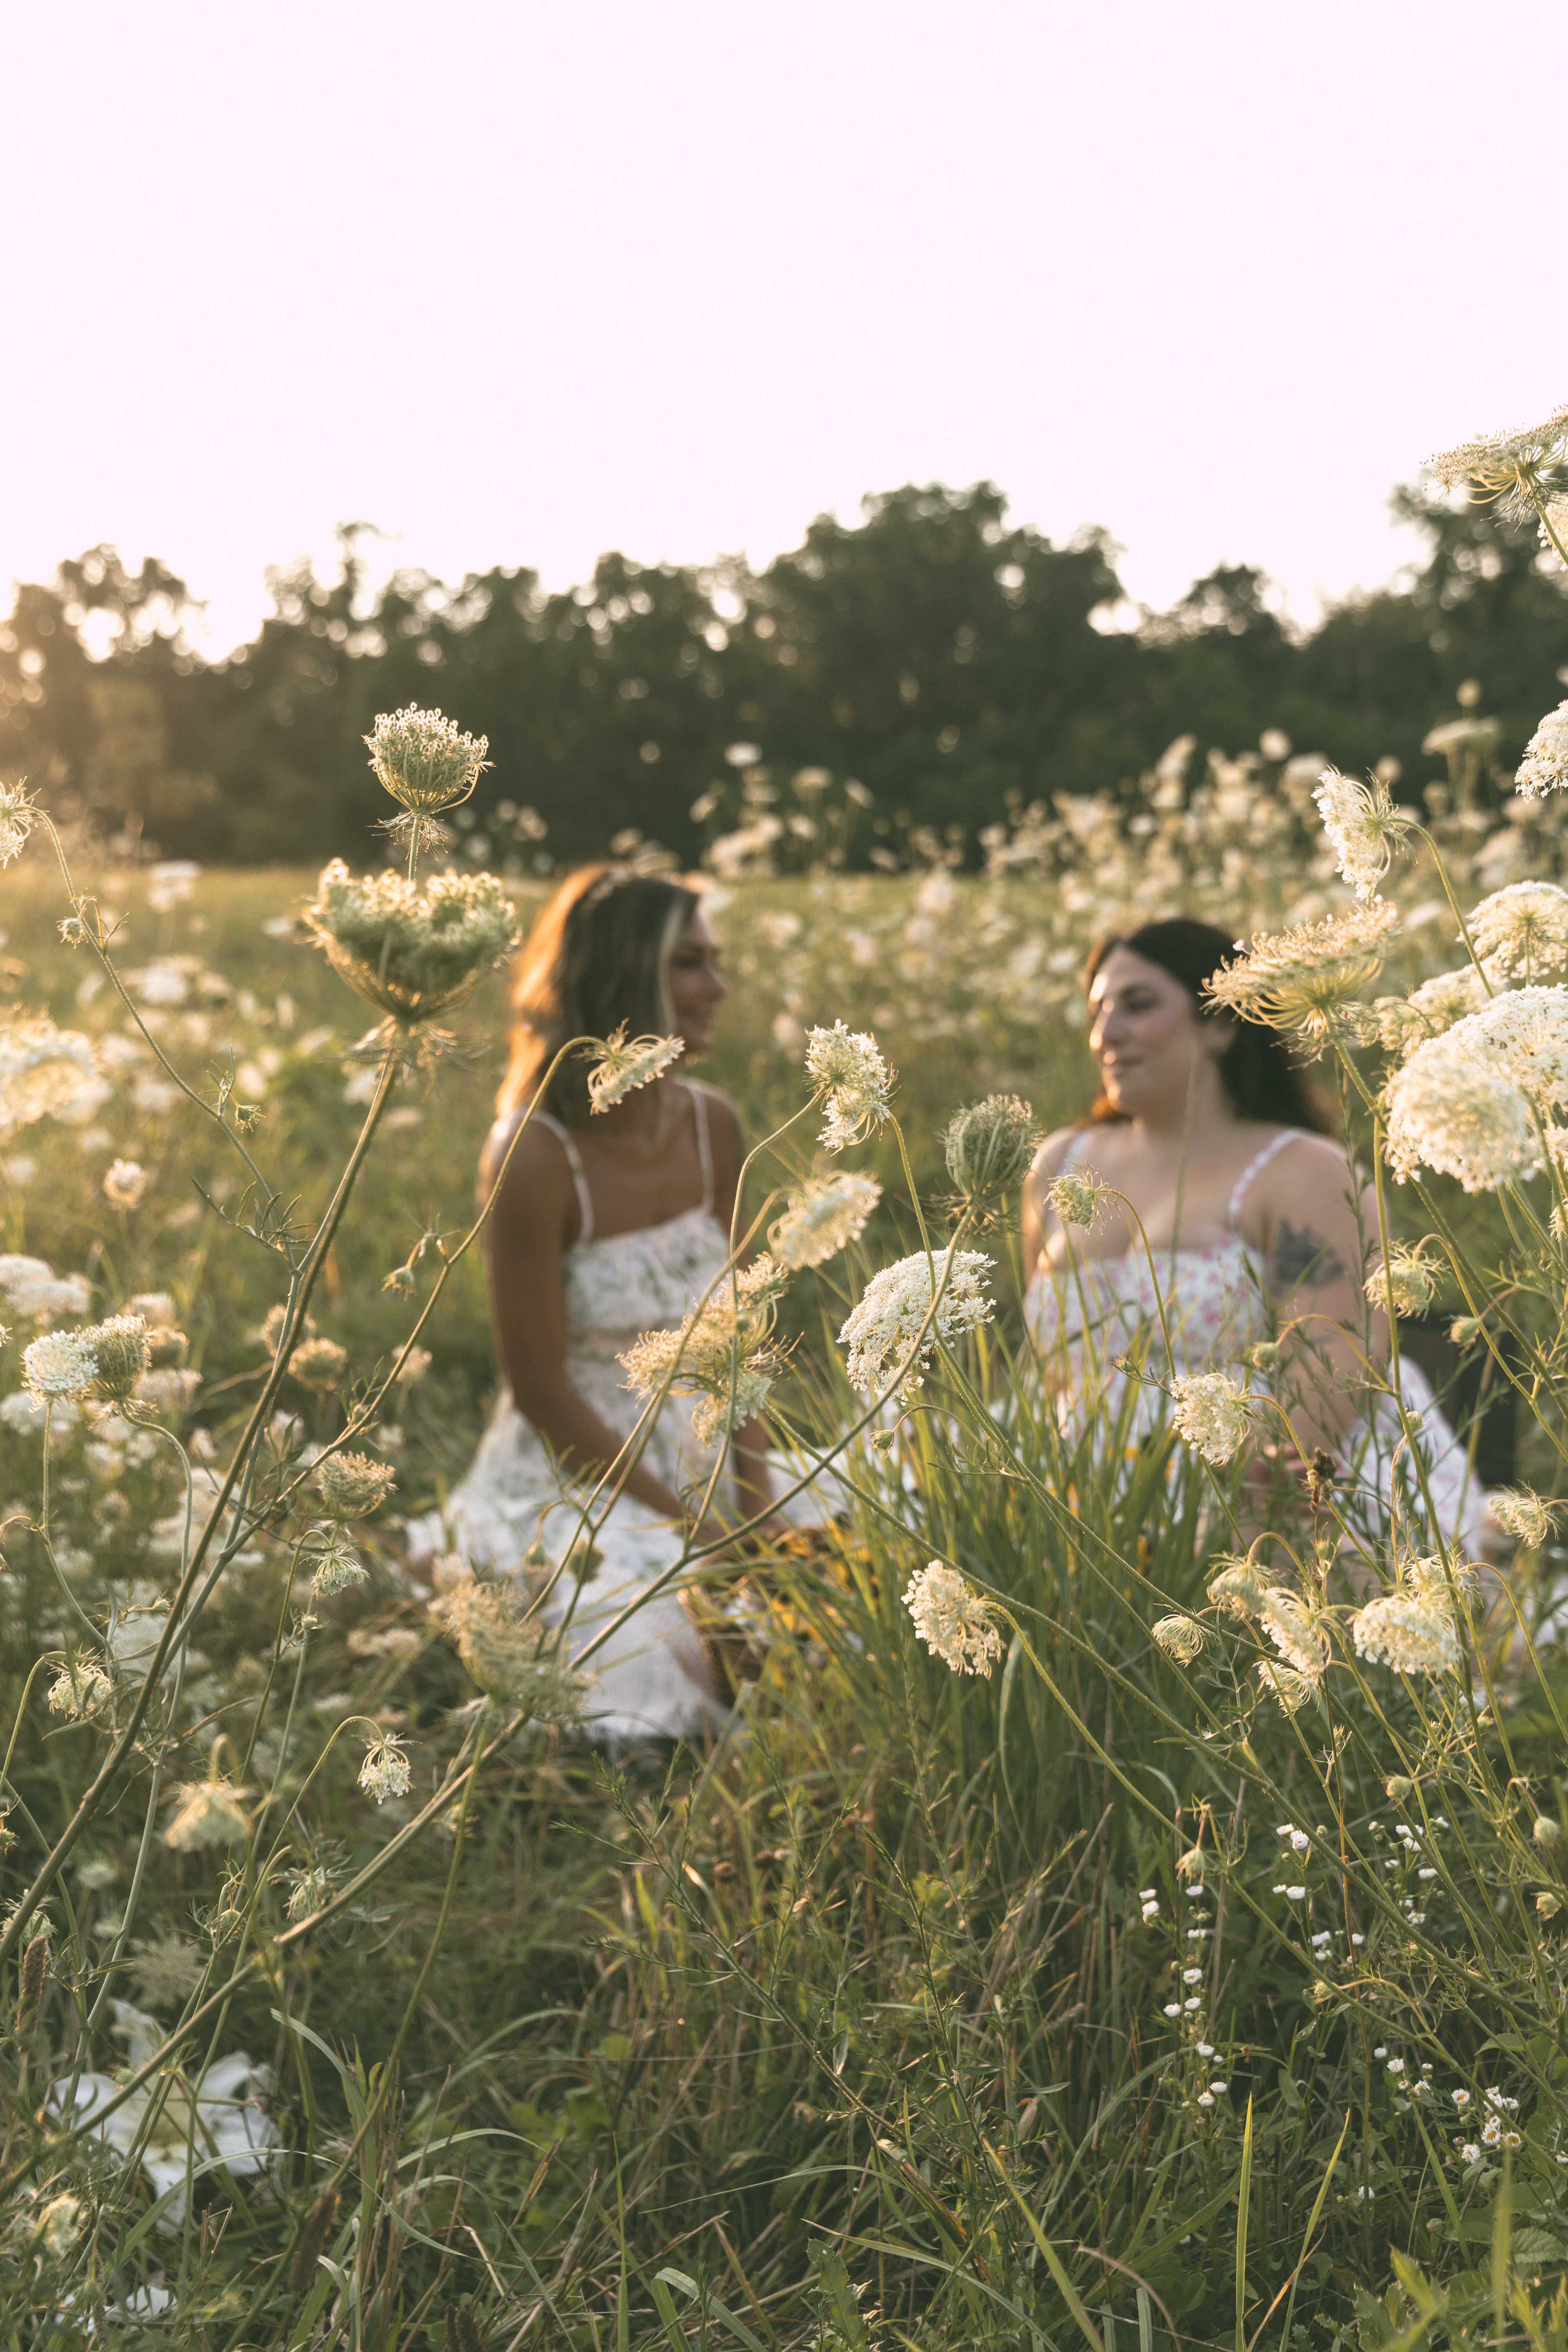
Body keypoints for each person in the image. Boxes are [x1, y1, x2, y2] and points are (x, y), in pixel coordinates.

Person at [405, 864, 777, 1746]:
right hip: (581, 1468)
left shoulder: (713, 1124)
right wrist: (686, 1523)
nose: (716, 988)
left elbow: (740, 1343)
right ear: (622, 978)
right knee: (676, 1646)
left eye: (715, 962)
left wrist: (754, 1501)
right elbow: (539, 1389)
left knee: (826, 1585)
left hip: (708, 1436)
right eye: (690, 963)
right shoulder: (534, 1154)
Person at [1020, 917, 1488, 1548]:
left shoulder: (1302, 1170)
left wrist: (1238, 1515)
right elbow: (1047, 1372)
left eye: (1139, 1005)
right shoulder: (1060, 1162)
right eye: (1098, 1010)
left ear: (1219, 1021)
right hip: (1086, 1485)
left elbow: (1335, 1359)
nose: (1107, 1033)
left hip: (1269, 1486)